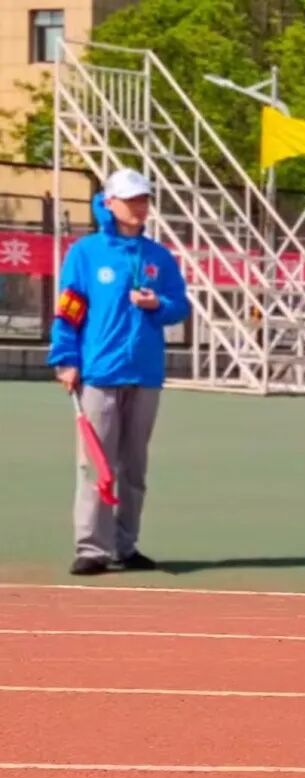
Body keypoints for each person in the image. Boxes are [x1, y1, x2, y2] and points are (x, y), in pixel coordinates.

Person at [47, 167, 190, 576]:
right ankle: (92, 547)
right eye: (130, 200)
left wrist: (157, 304)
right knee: (97, 463)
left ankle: (126, 545)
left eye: (143, 199)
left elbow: (179, 305)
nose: (138, 207)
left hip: (144, 374)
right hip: (99, 373)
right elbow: (69, 310)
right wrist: (66, 359)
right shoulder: (86, 253)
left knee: (134, 467)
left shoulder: (158, 256)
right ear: (109, 203)